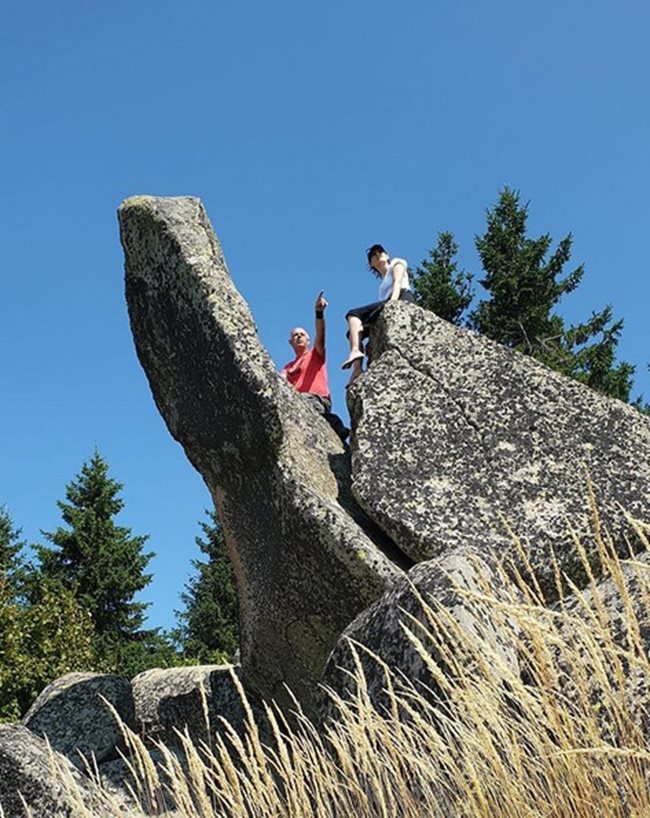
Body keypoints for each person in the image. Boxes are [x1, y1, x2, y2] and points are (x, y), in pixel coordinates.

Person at [281, 292, 350, 442]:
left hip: (316, 399)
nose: (298, 336)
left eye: (302, 334)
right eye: (295, 335)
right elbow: (280, 382)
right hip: (297, 400)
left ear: (308, 340)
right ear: (290, 342)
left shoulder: (315, 354)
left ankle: (334, 425)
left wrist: (319, 313)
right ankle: (334, 425)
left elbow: (321, 335)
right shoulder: (288, 367)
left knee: (307, 405)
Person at [341, 244, 415, 382]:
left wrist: (392, 305)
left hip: (401, 297)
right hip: (387, 301)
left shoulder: (397, 262)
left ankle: (355, 351)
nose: (377, 255)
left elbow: (397, 283)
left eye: (380, 252)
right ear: (371, 264)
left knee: (353, 313)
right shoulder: (381, 288)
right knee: (352, 332)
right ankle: (357, 368)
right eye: (373, 255)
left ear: (386, 255)